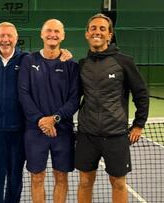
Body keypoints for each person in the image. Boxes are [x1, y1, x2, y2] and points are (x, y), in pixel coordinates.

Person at [75, 13, 149, 203]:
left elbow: (141, 93)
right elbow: (75, 98)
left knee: (118, 183)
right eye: (93, 28)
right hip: (87, 135)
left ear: (109, 35)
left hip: (115, 135)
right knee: (84, 182)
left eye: (102, 29)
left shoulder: (124, 62)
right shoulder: (82, 64)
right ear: (87, 34)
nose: (97, 32)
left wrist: (139, 124)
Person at [18, 19, 80, 203]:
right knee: (37, 178)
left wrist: (55, 118)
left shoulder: (72, 65)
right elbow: (23, 93)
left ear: (63, 35)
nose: (52, 34)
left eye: (57, 31)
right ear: (42, 34)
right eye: (49, 31)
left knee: (61, 177)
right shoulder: (29, 61)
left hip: (63, 131)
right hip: (35, 131)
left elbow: (75, 99)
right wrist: (41, 120)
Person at [0, 22, 27, 203]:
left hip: (19, 129)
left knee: (15, 177)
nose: (5, 40)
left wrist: (65, 54)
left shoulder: (27, 60)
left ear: (16, 38)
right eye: (1, 36)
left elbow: (50, 60)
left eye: (9, 36)